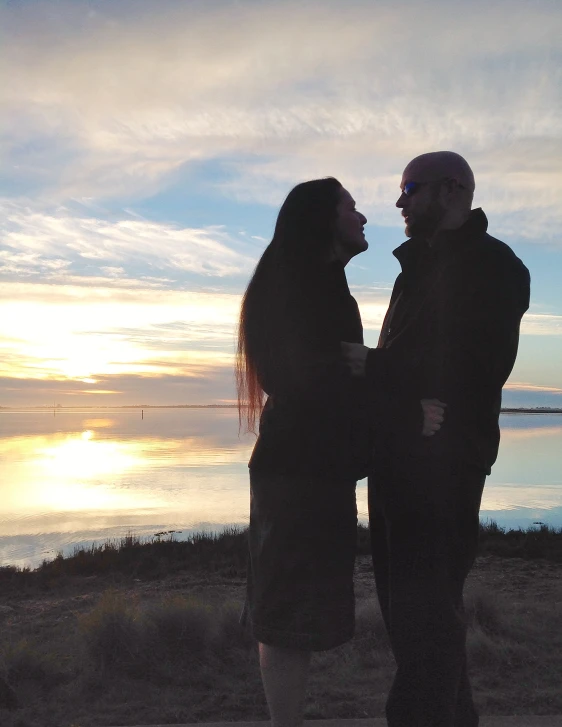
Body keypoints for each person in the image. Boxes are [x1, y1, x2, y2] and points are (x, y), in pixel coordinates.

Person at [236, 177, 444, 727]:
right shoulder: (298, 288)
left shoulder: (321, 285)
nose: (364, 216)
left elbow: (340, 380)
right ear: (323, 218)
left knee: (294, 612)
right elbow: (307, 382)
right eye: (351, 207)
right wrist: (404, 415)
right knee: (284, 615)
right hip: (297, 476)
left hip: (313, 474)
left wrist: (370, 371)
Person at [343, 152, 531, 727]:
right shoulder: (416, 268)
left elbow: (476, 367)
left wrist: (374, 369)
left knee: (425, 622)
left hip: (446, 468)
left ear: (453, 190)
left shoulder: (495, 267)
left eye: (410, 188)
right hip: (398, 461)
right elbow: (419, 365)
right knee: (417, 620)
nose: (399, 201)